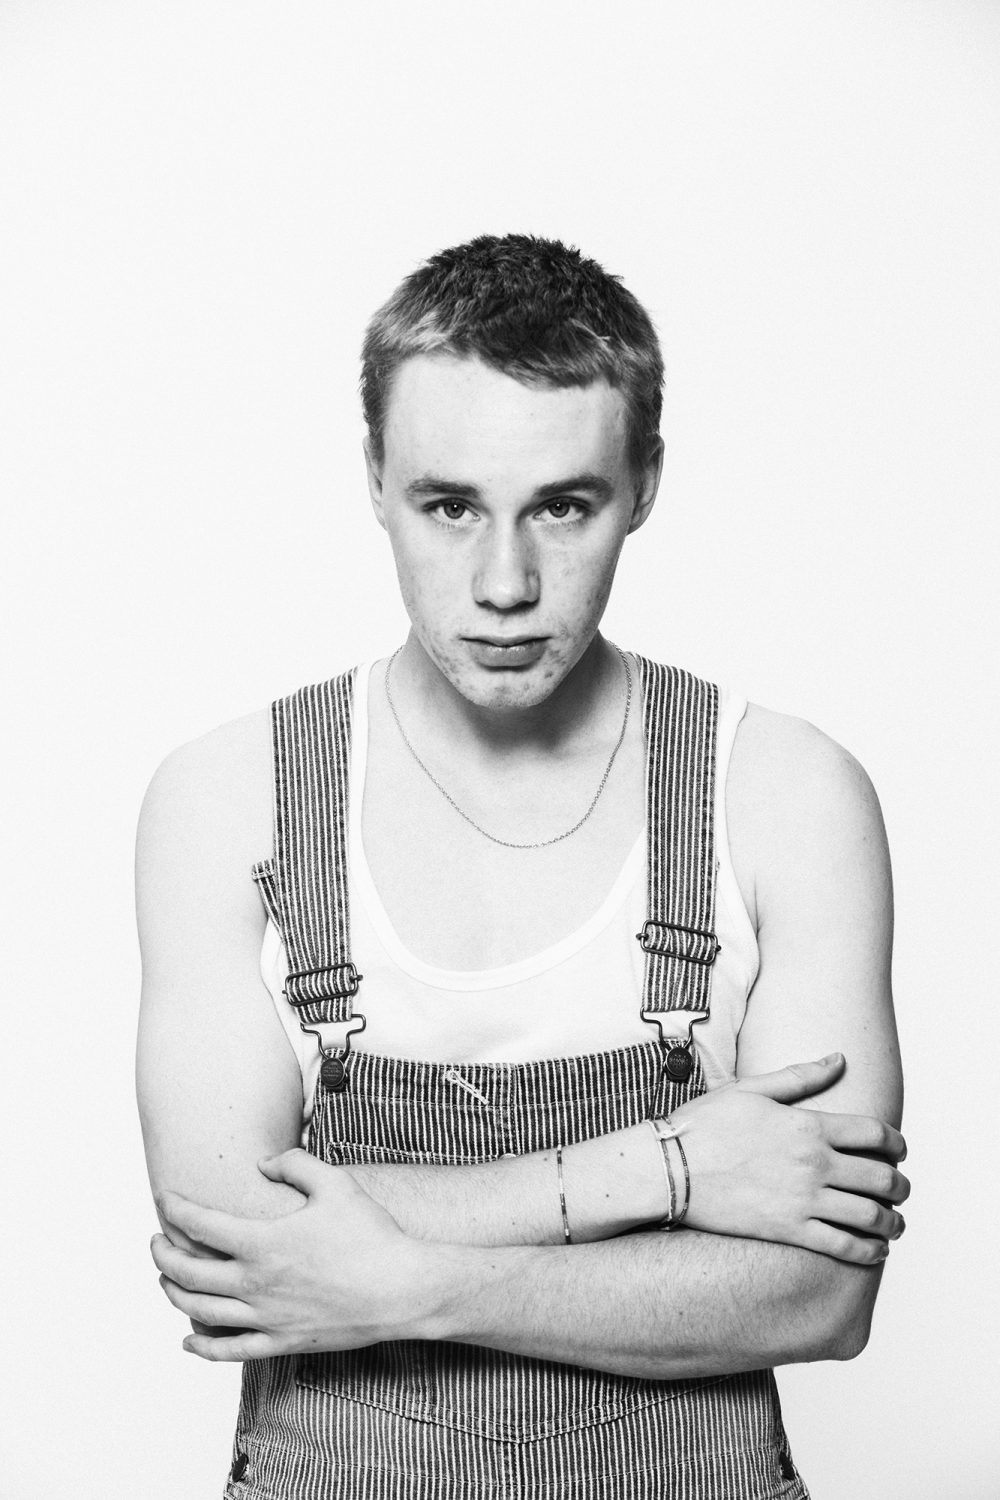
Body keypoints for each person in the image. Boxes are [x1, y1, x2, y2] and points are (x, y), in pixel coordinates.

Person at [136, 233, 908, 1500]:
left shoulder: (780, 793)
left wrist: (411, 1283)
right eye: (449, 506)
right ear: (373, 479)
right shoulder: (233, 799)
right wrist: (667, 1168)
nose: (505, 583)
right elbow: (227, 1241)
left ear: (644, 483)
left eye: (563, 505)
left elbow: (819, 1297)